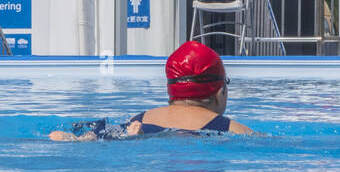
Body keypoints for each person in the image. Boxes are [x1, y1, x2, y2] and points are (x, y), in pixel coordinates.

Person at [49, 41, 253, 141]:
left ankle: (74, 139)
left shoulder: (137, 119)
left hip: (132, 135)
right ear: (219, 91)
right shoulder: (234, 129)